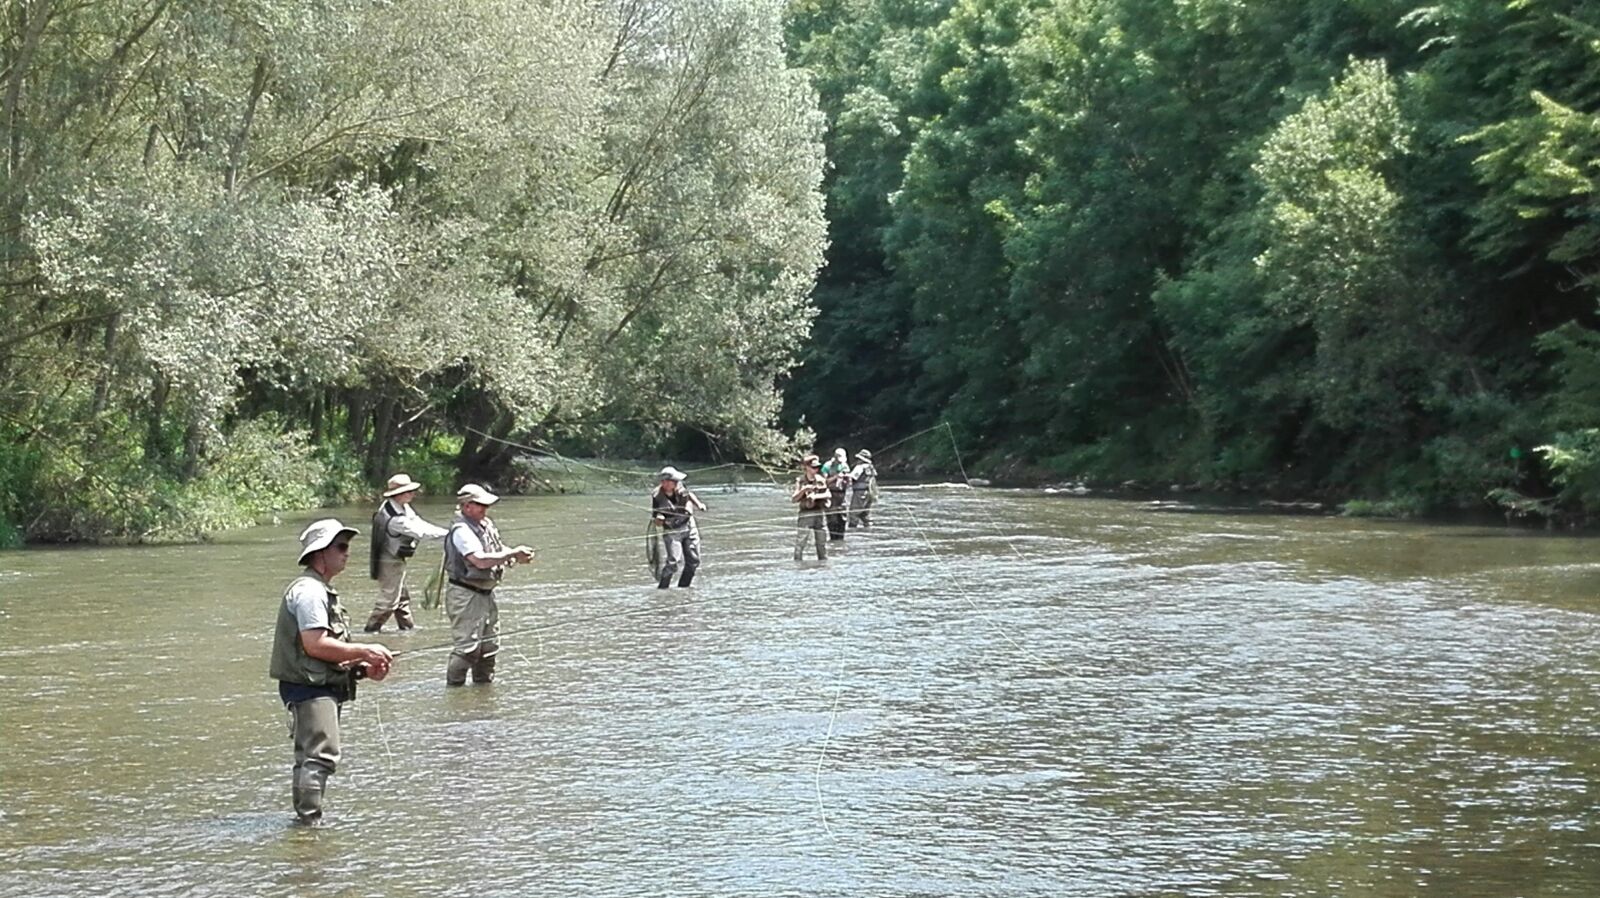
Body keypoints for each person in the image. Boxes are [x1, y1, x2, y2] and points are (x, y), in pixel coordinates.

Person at [270, 518, 394, 825]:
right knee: (319, 757)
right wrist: (366, 649)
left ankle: (307, 825)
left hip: (317, 685)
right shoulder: (309, 592)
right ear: (320, 553)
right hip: (309, 689)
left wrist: (363, 668)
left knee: (316, 756)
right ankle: (308, 827)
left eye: (347, 546)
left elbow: (329, 652)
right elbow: (315, 644)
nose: (347, 553)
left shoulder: (320, 590)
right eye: (341, 546)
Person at [442, 483, 534, 686]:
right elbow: (479, 560)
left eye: (486, 505)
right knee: (467, 650)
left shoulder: (485, 524)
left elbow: (497, 548)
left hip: (486, 594)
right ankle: (454, 691)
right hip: (465, 595)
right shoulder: (462, 531)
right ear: (466, 507)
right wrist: (511, 554)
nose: (485, 509)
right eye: (480, 505)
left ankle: (483, 693)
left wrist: (516, 556)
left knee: (489, 647)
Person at [364, 473, 449, 633]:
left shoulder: (400, 506)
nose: (412, 494)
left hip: (394, 556)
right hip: (388, 560)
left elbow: (420, 523)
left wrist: (447, 533)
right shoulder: (396, 519)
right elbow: (422, 533)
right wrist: (452, 535)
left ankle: (407, 630)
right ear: (397, 495)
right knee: (389, 601)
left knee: (401, 598)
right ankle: (371, 631)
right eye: (408, 491)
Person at [651, 465, 707, 588]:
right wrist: (659, 519)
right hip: (672, 531)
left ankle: (683, 588)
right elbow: (657, 518)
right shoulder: (657, 497)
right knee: (673, 562)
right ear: (664, 483)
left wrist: (698, 504)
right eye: (674, 481)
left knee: (693, 561)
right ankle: (663, 589)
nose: (677, 482)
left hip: (689, 525)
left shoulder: (680, 487)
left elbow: (689, 495)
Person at [791, 453, 832, 561]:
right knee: (801, 543)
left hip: (819, 513)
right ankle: (798, 564)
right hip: (805, 515)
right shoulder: (800, 480)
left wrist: (816, 496)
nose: (816, 470)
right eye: (813, 467)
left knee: (822, 543)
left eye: (818, 467)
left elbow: (828, 494)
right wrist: (804, 490)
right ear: (807, 468)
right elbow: (794, 499)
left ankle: (823, 565)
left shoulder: (821, 479)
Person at [820, 447, 853, 541]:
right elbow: (824, 482)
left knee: (843, 519)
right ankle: (833, 539)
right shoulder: (827, 466)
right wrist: (836, 477)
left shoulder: (844, 465)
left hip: (842, 496)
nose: (840, 462)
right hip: (831, 495)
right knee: (832, 520)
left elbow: (849, 483)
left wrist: (847, 478)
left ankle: (841, 539)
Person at [848, 449, 878, 529]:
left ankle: (852, 532)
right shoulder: (871, 467)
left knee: (853, 513)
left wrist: (844, 475)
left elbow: (853, 477)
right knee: (865, 514)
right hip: (870, 493)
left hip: (859, 493)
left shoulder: (860, 467)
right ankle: (869, 530)